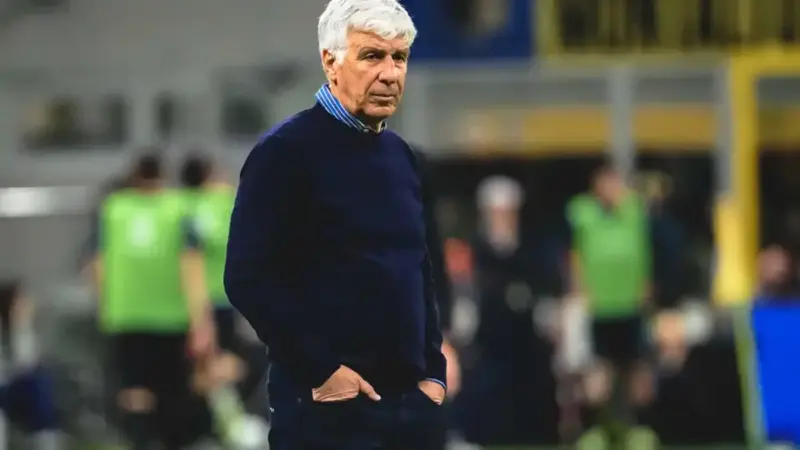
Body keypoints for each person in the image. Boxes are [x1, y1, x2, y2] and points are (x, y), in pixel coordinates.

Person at [223, 1, 449, 448]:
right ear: (331, 62)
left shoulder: (403, 158)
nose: (390, 73)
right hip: (326, 406)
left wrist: (433, 373)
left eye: (399, 57)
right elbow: (247, 276)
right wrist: (322, 370)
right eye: (372, 56)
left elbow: (418, 269)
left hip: (410, 407)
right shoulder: (284, 153)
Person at [88, 153, 215, 450]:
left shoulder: (113, 209)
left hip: (124, 317)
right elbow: (191, 266)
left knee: (134, 393)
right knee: (171, 393)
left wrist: (106, 305)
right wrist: (201, 320)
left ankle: (141, 442)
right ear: (163, 177)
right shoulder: (179, 209)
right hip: (170, 317)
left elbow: (97, 264)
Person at [452, 175, 559, 446]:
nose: (501, 220)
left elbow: (546, 282)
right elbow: (465, 285)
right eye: (495, 213)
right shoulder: (473, 248)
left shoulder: (533, 247)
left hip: (527, 336)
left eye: (507, 213)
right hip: (488, 335)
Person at [566, 165, 655, 448]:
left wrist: (646, 286)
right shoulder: (582, 213)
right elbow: (574, 253)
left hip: (631, 307)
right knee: (598, 379)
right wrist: (578, 288)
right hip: (598, 308)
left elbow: (645, 250)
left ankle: (634, 430)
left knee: (636, 375)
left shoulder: (634, 211)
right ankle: (598, 430)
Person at [0, 280, 61, 450]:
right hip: (6, 389)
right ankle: (45, 437)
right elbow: (21, 365)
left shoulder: (21, 331)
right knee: (40, 382)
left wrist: (21, 325)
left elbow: (27, 361)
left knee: (43, 379)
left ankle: (46, 436)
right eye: (22, 301)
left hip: (13, 389)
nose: (28, 305)